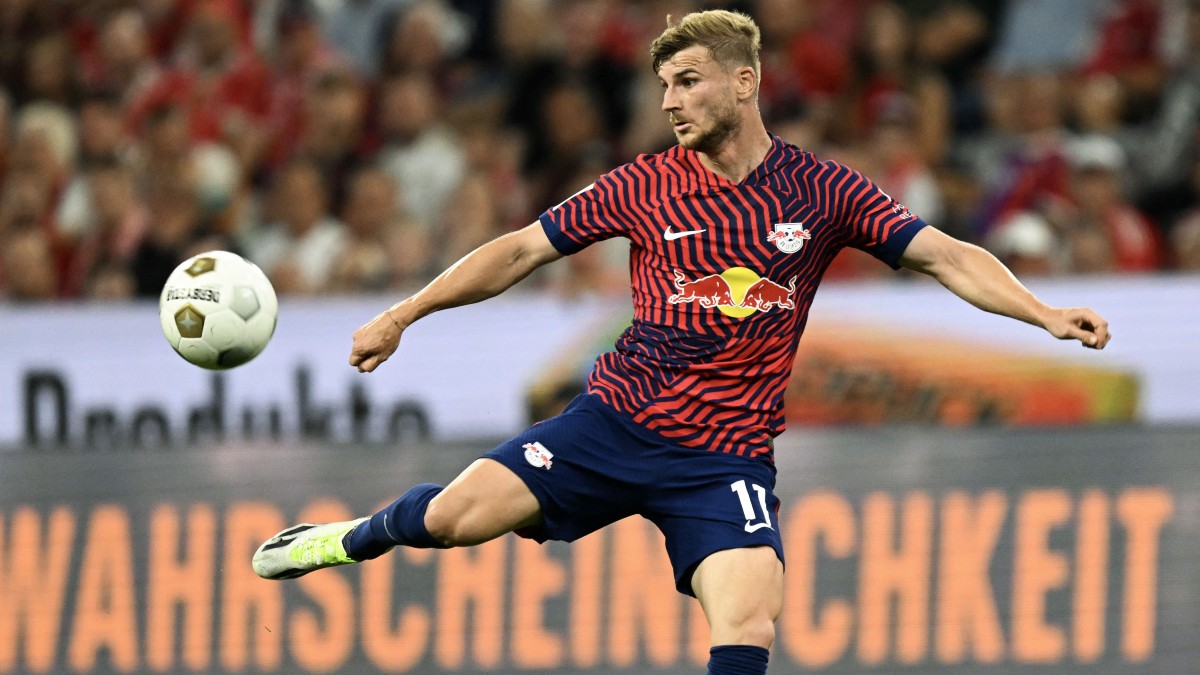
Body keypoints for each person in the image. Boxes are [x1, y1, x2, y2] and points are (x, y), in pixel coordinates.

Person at [251, 10, 1111, 674]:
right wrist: (405, 312)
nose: (669, 101)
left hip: (727, 458)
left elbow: (945, 255)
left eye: (689, 81)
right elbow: (517, 249)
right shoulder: (644, 183)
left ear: (746, 82)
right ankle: (352, 535)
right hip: (612, 423)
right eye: (663, 84)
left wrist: (1042, 313)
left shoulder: (823, 189)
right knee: (449, 518)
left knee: (748, 623)